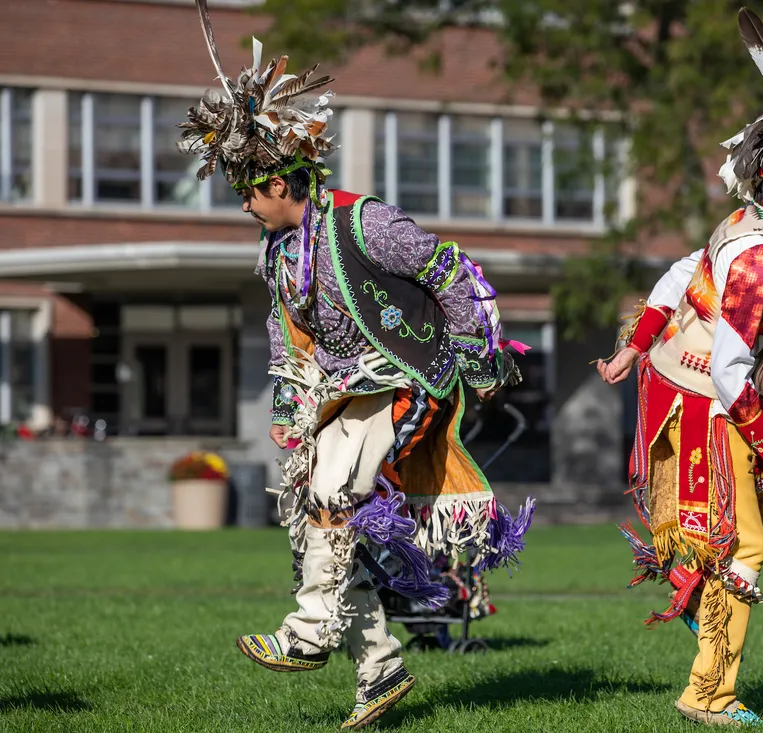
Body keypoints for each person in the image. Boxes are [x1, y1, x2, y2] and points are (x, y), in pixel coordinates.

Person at [177, 2, 534, 728]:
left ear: (281, 182)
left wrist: (474, 353)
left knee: (336, 493)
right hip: (343, 392)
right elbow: (288, 334)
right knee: (319, 522)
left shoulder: (363, 222)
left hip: (410, 376)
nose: (243, 203)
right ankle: (379, 665)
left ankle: (309, 633)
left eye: (248, 189)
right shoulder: (277, 253)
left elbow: (447, 271)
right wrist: (288, 411)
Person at [598, 8, 763, 727]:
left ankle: (693, 591)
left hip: (684, 381)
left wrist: (634, 344)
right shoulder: (762, 257)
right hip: (706, 394)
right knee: (745, 539)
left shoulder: (744, 224)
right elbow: (736, 371)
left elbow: (683, 271)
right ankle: (709, 690)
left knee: (762, 531)